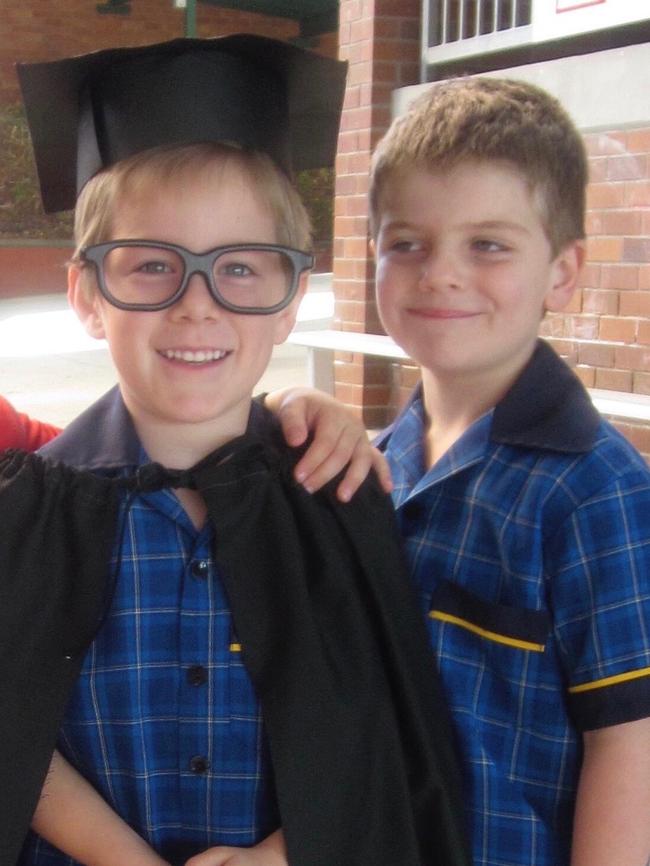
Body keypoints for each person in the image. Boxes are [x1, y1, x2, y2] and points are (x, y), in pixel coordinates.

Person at [1, 37, 470, 866]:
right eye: (150, 266)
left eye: (243, 270)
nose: (198, 306)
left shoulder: (336, 495)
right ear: (86, 295)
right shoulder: (28, 516)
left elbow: (381, 732)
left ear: (293, 299)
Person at [270, 77, 650, 866]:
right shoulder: (377, 459)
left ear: (563, 271)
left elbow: (631, 747)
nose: (440, 273)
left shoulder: (595, 491)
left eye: (489, 244)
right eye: (406, 242)